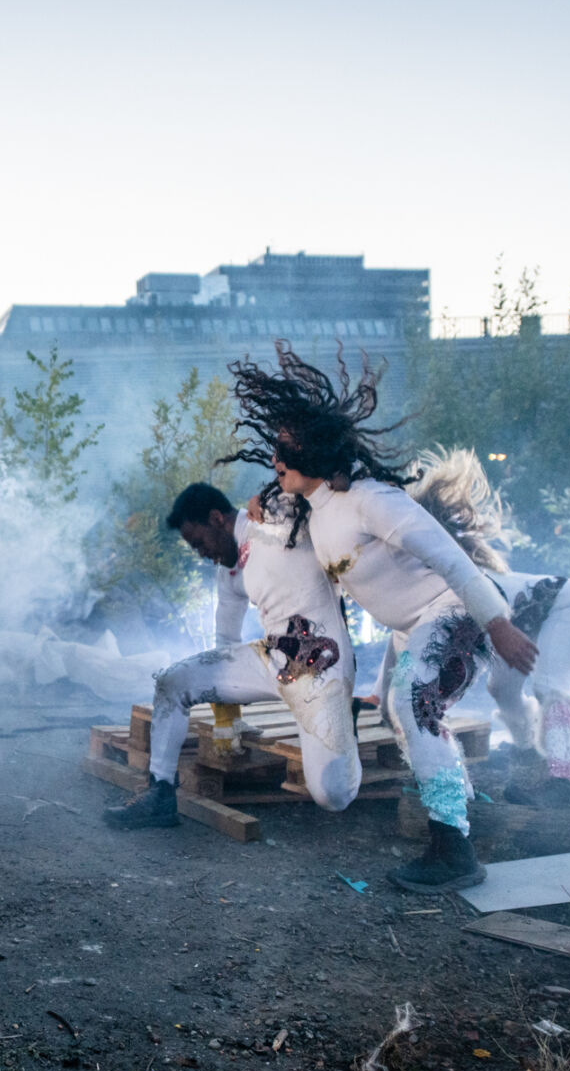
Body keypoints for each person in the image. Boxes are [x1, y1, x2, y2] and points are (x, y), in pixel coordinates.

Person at [227, 343, 538, 893]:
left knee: (413, 704)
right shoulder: (316, 508)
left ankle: (454, 850)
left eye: (283, 448)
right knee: (406, 703)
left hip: (459, 609)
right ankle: (451, 838)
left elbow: (451, 559)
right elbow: (393, 610)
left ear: (315, 450)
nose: (274, 458)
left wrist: (498, 624)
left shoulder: (373, 500)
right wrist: (259, 501)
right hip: (420, 626)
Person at [104, 482, 360, 829]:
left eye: (199, 542)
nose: (200, 553)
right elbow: (225, 641)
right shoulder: (229, 570)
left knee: (332, 795)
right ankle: (160, 794)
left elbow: (312, 483)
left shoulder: (276, 516)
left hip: (322, 664)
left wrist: (266, 497)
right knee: (172, 681)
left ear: (217, 519)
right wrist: (227, 721)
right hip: (274, 657)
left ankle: (346, 719)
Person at [402, 449, 570, 808]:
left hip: (567, 605)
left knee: (549, 686)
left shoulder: (459, 579)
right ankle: (528, 748)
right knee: (501, 691)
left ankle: (561, 780)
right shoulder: (429, 587)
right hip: (518, 627)